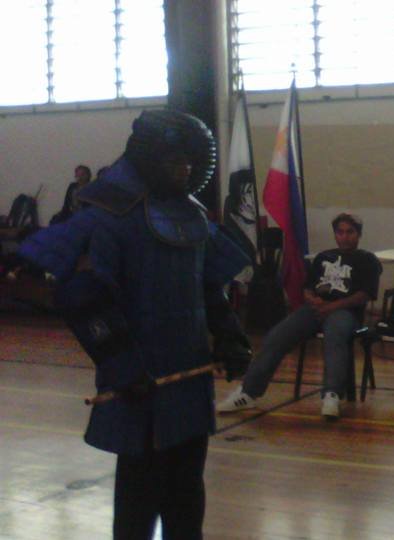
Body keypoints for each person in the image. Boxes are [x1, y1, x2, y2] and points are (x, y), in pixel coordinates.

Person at [18, 109, 253, 539]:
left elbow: (208, 287)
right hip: (139, 380)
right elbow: (83, 299)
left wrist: (229, 336)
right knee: (139, 496)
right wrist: (122, 364)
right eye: (176, 161)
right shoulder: (108, 216)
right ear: (150, 158)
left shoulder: (192, 215)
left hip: (189, 378)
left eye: (191, 162)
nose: (186, 169)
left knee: (187, 489)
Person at [217, 212, 381, 420]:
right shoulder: (323, 257)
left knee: (335, 337)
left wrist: (333, 306)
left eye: (350, 232)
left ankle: (331, 394)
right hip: (315, 309)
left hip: (345, 311)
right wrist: (313, 300)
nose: (345, 237)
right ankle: (248, 392)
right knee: (277, 336)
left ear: (358, 235)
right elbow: (307, 288)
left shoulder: (367, 260)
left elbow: (364, 295)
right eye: (340, 232)